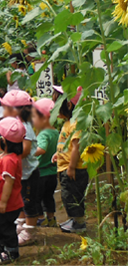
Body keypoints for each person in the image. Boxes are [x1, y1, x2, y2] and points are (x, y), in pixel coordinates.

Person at [0, 90, 39, 246]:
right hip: (22, 172)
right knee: (20, 199)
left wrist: (8, 158)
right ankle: (21, 223)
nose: (3, 111)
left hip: (29, 172)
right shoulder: (16, 125)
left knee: (29, 202)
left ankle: (30, 231)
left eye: (5, 108)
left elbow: (26, 149)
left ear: (16, 110)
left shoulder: (25, 127)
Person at [0, 117, 25, 264]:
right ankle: (0, 244)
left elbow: (9, 182)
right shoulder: (9, 156)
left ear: (3, 140)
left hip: (7, 203)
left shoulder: (9, 161)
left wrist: (3, 201)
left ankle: (12, 251)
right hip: (0, 201)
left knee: (5, 226)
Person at [52, 85, 87, 233]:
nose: (54, 108)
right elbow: (66, 145)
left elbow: (76, 147)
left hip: (73, 169)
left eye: (57, 105)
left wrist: (71, 167)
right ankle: (74, 220)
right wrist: (57, 154)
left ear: (68, 105)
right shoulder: (68, 122)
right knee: (68, 196)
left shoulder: (75, 123)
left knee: (71, 196)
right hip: (66, 166)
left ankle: (78, 223)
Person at [32, 98, 59, 227]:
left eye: (34, 117)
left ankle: (40, 219)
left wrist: (29, 152)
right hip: (52, 172)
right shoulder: (55, 132)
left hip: (41, 173)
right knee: (49, 197)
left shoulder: (43, 134)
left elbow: (42, 149)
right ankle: (51, 218)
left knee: (37, 198)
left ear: (43, 118)